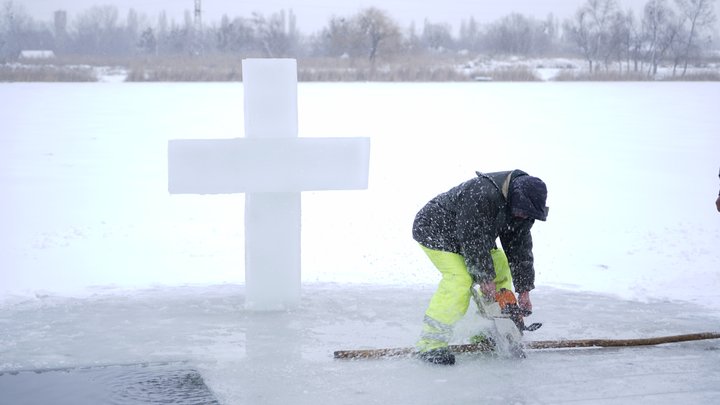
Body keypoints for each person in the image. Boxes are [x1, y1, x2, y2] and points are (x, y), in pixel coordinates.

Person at [412, 170, 548, 365]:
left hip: (472, 236)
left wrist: (524, 290)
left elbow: (519, 250)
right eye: (521, 211)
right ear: (513, 197)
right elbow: (473, 238)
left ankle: (484, 332)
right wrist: (484, 278)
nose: (522, 216)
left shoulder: (522, 210)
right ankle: (430, 343)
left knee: (500, 266)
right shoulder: (482, 194)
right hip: (436, 230)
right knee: (460, 279)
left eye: (526, 214)